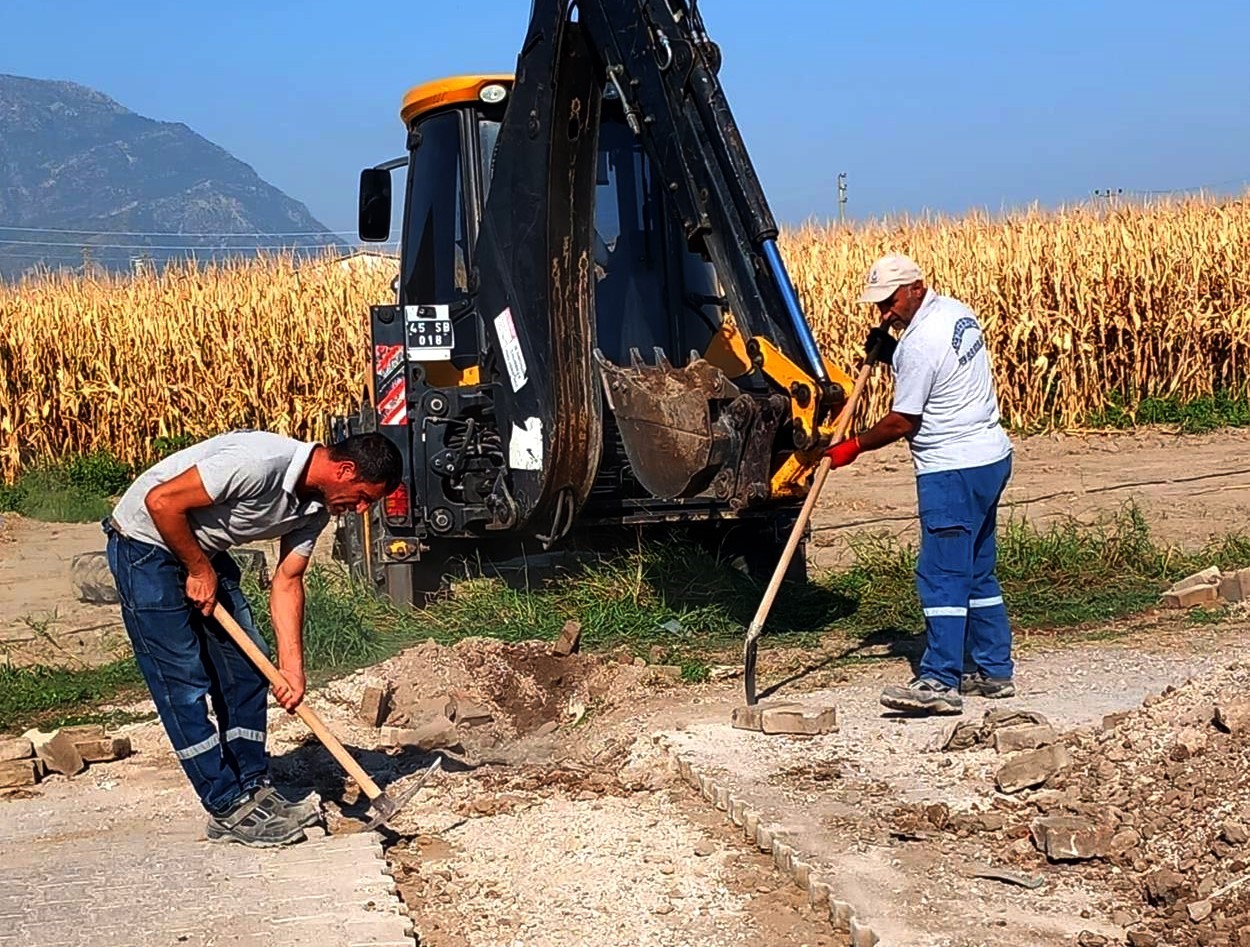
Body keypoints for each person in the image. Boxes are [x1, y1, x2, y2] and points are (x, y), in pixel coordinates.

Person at [103, 430, 402, 845]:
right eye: (365, 496)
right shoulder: (258, 462)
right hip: (146, 545)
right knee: (184, 682)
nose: (362, 509)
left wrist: (292, 671)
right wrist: (198, 570)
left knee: (247, 668)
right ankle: (226, 805)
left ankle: (253, 787)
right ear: (345, 470)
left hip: (200, 547)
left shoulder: (315, 509)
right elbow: (162, 502)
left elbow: (287, 581)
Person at [828, 254, 1014, 716]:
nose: (884, 313)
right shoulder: (957, 314)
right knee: (976, 571)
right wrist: (890, 350)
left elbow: (902, 421)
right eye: (879, 306)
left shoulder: (918, 343)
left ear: (915, 287)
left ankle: (939, 680)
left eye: (889, 303)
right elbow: (941, 371)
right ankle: (993, 670)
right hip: (990, 458)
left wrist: (850, 447)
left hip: (950, 468)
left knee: (941, 576)